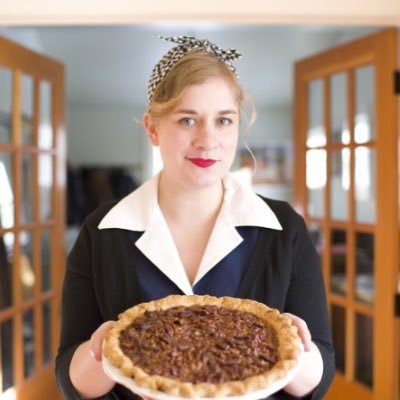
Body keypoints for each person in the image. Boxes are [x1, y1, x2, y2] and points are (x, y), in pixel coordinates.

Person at [56, 35, 335, 400]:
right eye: (188, 120)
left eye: (223, 120)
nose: (207, 140)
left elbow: (320, 374)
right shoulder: (101, 232)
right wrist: (103, 353)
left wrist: (298, 350)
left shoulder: (285, 229)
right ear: (152, 129)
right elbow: (70, 376)